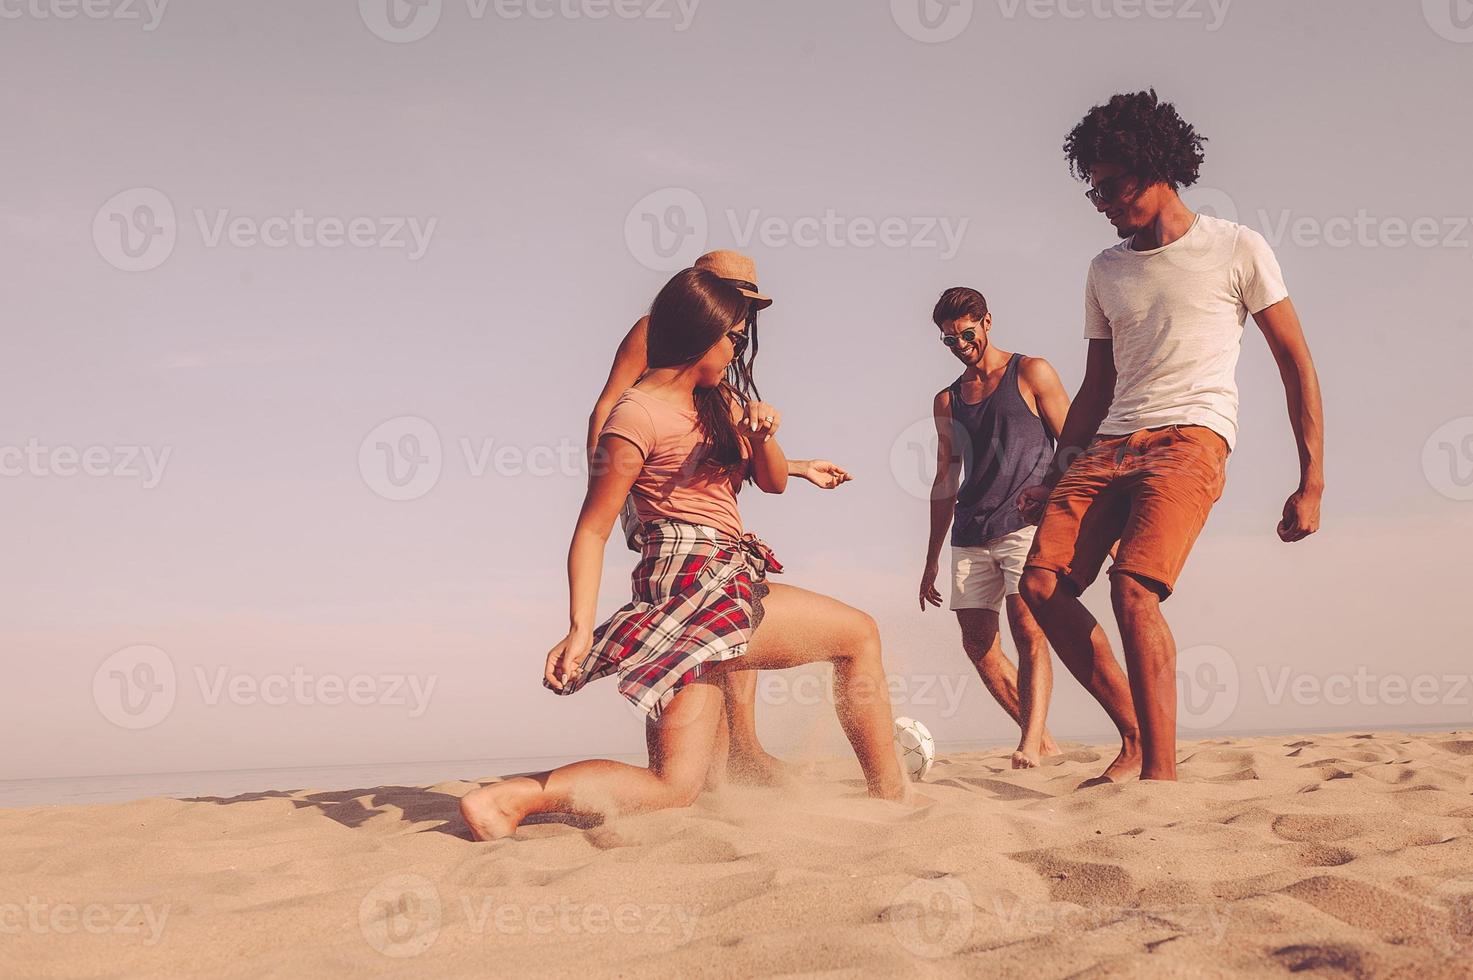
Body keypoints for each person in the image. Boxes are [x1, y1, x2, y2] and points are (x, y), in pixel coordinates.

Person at [461, 268, 914, 841]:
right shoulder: (636, 417)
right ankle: (892, 800)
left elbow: (771, 482)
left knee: (675, 786)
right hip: (702, 581)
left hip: (696, 586)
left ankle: (513, 800)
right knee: (859, 636)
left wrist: (765, 433)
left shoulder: (714, 402)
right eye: (732, 336)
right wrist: (579, 628)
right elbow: (593, 530)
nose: (736, 349)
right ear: (705, 335)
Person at [1017, 90, 1325, 784]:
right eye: (1090, 188)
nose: (1097, 200)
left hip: (1190, 440)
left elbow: (1294, 363)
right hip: (1106, 446)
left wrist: (1311, 481)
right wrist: (1058, 472)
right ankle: (1133, 735)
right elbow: (1095, 388)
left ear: (1152, 165)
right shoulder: (1104, 269)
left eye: (1107, 184)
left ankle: (1160, 779)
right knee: (1039, 584)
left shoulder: (1236, 247)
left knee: (1133, 591)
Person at [587, 249, 853, 786]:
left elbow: (722, 440)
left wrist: (795, 466)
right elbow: (608, 408)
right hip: (651, 494)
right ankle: (695, 760)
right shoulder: (656, 330)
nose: (749, 312)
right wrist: (621, 493)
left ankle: (737, 751)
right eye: (741, 297)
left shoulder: (726, 347)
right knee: (688, 618)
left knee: (732, 611)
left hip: (697, 497)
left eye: (754, 302)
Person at [918, 286, 1072, 769]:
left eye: (966, 333)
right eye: (949, 340)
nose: (960, 345)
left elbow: (1073, 447)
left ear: (987, 322)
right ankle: (1042, 739)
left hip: (1024, 525)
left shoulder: (1032, 372)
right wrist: (929, 560)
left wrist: (1057, 501)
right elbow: (946, 476)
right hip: (970, 531)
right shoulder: (948, 400)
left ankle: (1028, 745)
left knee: (1028, 629)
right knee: (978, 644)